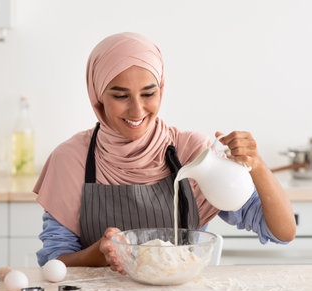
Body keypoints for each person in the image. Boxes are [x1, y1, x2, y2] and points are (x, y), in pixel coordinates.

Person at [34, 32, 296, 273]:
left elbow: (281, 232)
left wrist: (257, 165)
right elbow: (53, 263)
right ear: (97, 96)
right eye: (121, 96)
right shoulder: (71, 159)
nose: (137, 111)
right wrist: (98, 254)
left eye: (149, 93)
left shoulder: (193, 153)